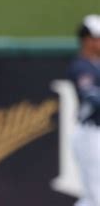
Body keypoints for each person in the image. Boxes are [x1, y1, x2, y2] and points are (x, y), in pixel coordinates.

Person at [68, 14, 100, 206]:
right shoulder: (81, 66)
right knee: (96, 196)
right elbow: (91, 96)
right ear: (87, 40)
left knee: (93, 197)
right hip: (90, 133)